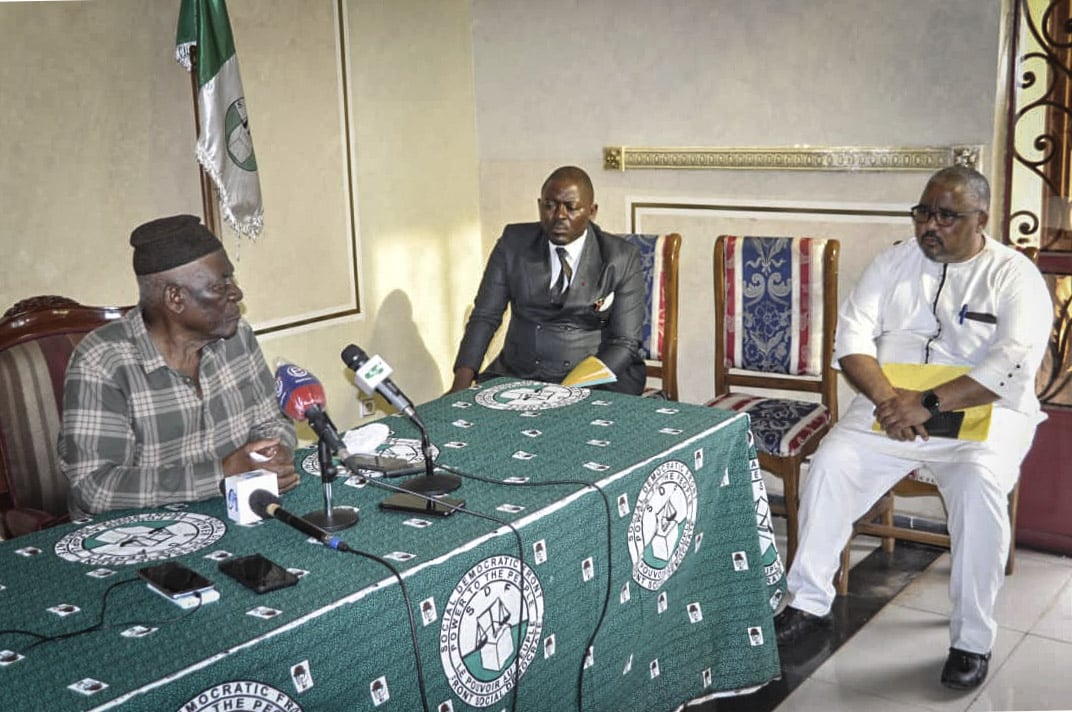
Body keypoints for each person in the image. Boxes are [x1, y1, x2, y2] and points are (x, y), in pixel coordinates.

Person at [773, 166, 1052, 690]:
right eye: (924, 212)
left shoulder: (1014, 276)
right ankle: (808, 603)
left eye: (947, 216)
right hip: (890, 404)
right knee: (832, 462)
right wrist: (887, 401)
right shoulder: (892, 262)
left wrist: (927, 403)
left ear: (980, 220)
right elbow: (850, 339)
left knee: (979, 486)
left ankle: (971, 638)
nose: (931, 225)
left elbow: (1012, 364)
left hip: (982, 410)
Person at [59, 215, 299, 516]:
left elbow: (273, 422)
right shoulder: (103, 361)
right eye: (219, 285)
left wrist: (274, 454)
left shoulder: (238, 337)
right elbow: (94, 486)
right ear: (174, 298)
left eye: (232, 278)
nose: (236, 293)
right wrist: (220, 473)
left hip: (232, 512)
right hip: (138, 537)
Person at [450, 165, 646, 394]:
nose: (559, 216)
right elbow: (485, 316)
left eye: (571, 208)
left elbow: (625, 342)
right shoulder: (513, 244)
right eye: (550, 206)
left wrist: (568, 389)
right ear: (539, 205)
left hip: (594, 380)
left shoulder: (620, 257)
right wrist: (460, 385)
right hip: (518, 373)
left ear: (592, 211)